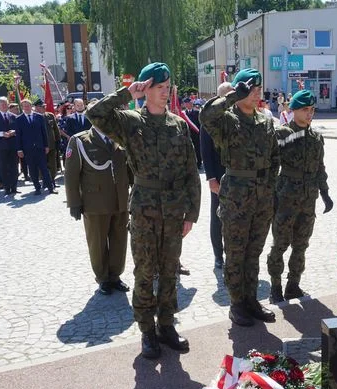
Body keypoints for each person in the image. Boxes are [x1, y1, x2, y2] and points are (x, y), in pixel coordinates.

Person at [86, 62, 201, 360]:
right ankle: (147, 330)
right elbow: (95, 114)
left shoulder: (177, 124)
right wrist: (127, 92)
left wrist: (192, 213)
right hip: (145, 209)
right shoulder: (131, 122)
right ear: (146, 89)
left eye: (167, 88)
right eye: (159, 88)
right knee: (146, 271)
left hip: (174, 210)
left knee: (169, 271)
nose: (165, 93)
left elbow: (191, 171)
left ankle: (166, 325)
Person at [200, 68, 280, 328]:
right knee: (235, 252)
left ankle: (251, 300)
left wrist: (271, 190)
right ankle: (236, 305)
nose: (257, 92)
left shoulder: (265, 121)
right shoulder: (227, 120)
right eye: (251, 88)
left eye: (258, 87)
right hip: (236, 196)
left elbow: (274, 157)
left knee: (253, 252)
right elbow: (205, 116)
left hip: (262, 197)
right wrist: (233, 96)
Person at [267, 90, 333, 303]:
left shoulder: (316, 138)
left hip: (308, 199)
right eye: (305, 109)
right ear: (293, 110)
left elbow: (320, 168)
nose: (309, 113)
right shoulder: (282, 134)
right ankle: (275, 287)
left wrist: (325, 193)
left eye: (312, 109)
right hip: (285, 198)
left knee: (301, 244)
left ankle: (293, 285)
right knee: (280, 244)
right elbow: (271, 166)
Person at [64, 124, 132, 295]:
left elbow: (129, 167)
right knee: (97, 243)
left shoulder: (119, 136)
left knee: (119, 240)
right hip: (95, 202)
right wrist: (74, 202)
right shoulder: (80, 141)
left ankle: (115, 275)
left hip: (120, 200)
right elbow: (71, 175)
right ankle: (103, 278)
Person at [200, 82, 232, 270]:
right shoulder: (209, 118)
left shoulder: (237, 116)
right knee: (217, 216)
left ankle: (233, 252)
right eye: (227, 96)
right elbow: (205, 149)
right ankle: (218, 255)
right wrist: (211, 177)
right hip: (218, 176)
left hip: (236, 176)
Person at [15, 99, 56, 195]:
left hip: (40, 147)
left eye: (28, 105)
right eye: (24, 106)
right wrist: (19, 149)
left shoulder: (39, 117)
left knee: (44, 169)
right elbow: (18, 135)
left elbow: (44, 132)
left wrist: (46, 145)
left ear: (31, 106)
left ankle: (50, 188)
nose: (26, 107)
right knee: (32, 170)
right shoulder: (19, 119)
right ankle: (37, 188)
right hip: (27, 149)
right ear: (22, 107)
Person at [0, 97, 19, 194]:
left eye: (5, 104)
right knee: (3, 167)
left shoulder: (14, 116)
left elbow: (19, 130)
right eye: (2, 104)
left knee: (14, 167)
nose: (4, 106)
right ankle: (7, 187)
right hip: (1, 147)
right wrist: (2, 134)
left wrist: (14, 132)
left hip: (13, 146)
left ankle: (14, 187)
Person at [33, 99, 61, 188]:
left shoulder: (50, 116)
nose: (44, 108)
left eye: (44, 106)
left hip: (52, 144)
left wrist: (58, 141)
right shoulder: (33, 117)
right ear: (36, 108)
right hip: (40, 146)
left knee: (52, 164)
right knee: (43, 165)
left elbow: (56, 130)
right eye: (42, 107)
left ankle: (52, 180)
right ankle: (45, 181)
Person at [183, 97, 202, 169]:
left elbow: (200, 124)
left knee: (197, 149)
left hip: (196, 134)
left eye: (189, 103)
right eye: (186, 103)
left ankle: (199, 163)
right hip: (187, 134)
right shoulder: (184, 113)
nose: (187, 105)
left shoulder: (197, 112)